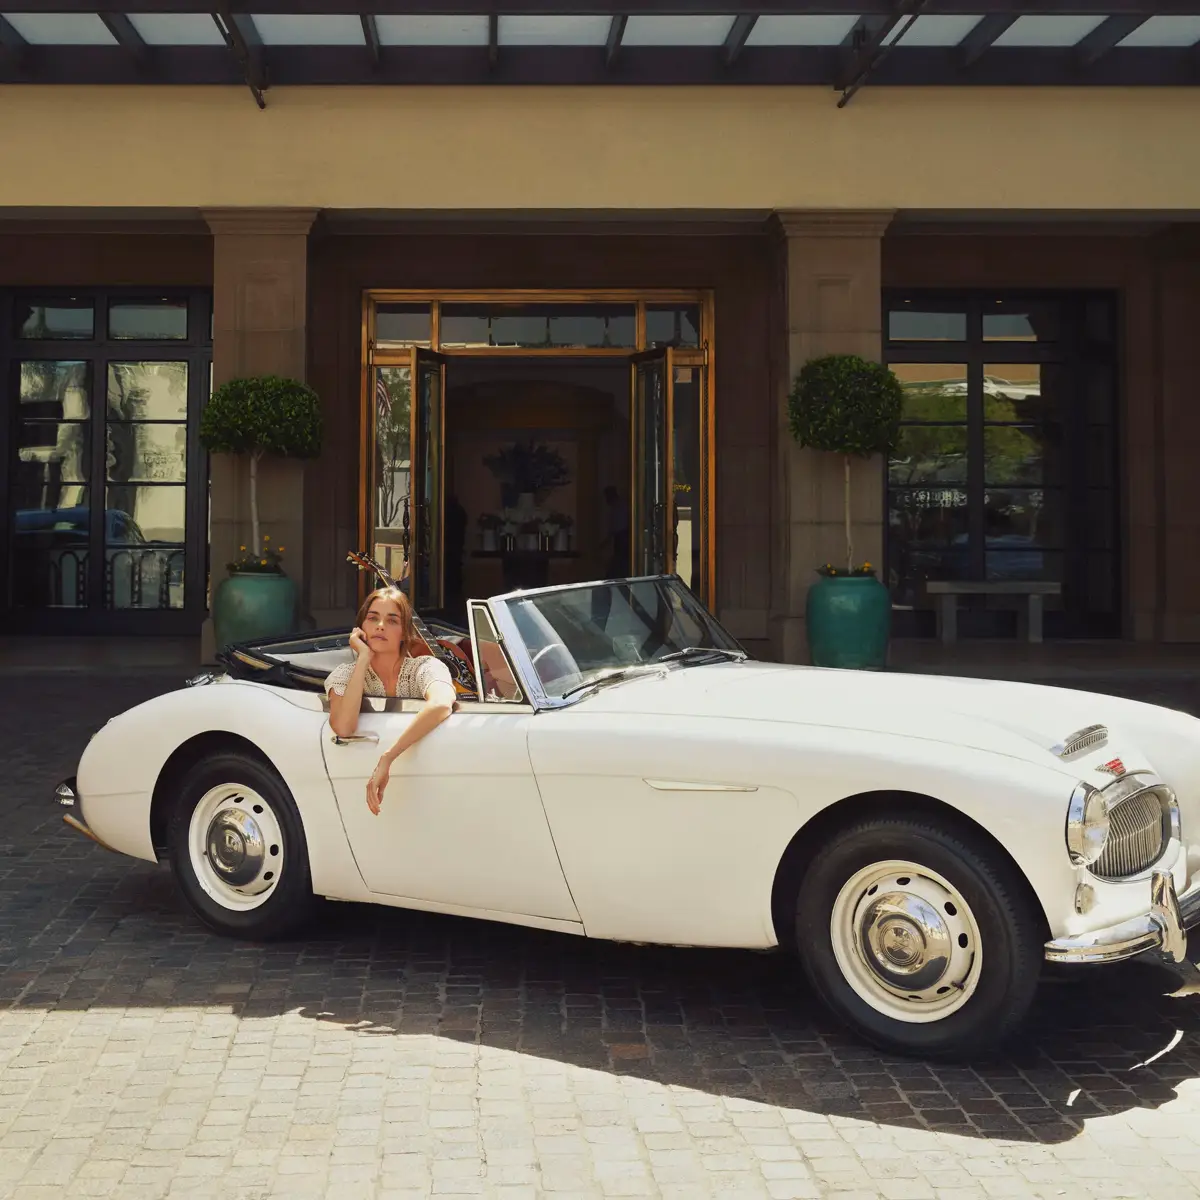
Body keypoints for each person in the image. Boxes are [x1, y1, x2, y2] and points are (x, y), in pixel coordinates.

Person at [325, 586, 456, 816]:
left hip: (430, 785)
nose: (381, 626)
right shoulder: (344, 675)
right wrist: (363, 658)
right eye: (373, 618)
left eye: (392, 620)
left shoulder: (424, 667)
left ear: (405, 632)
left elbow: (441, 704)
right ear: (361, 629)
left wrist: (388, 757)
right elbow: (344, 727)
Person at [602, 484, 630, 577]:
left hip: (623, 536)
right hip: (621, 536)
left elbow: (616, 527)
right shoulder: (619, 506)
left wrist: (606, 541)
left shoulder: (619, 506)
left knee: (620, 560)